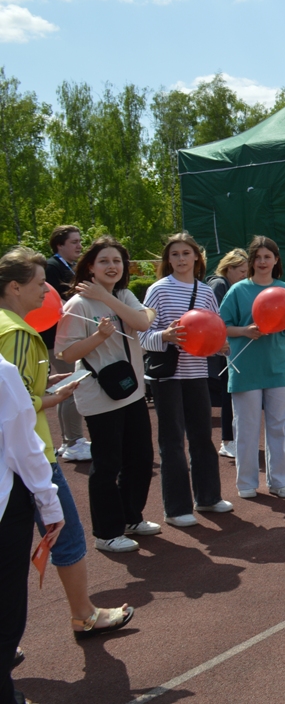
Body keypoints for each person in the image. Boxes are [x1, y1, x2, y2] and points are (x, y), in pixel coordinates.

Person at [1, 247, 135, 640]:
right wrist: (52, 399)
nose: (47, 292)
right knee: (68, 536)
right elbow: (18, 406)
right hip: (30, 458)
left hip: (16, 458)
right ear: (14, 287)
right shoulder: (19, 333)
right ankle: (84, 614)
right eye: (39, 284)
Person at [56, 238, 159, 555]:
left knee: (140, 459)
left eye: (117, 261)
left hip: (132, 391)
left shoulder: (123, 295)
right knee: (107, 464)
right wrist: (99, 336)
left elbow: (142, 321)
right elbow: (65, 352)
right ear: (90, 266)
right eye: (104, 261)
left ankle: (131, 518)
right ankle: (107, 532)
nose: (112, 266)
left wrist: (106, 296)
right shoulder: (78, 304)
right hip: (100, 396)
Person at [139, 233, 233, 528]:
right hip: (166, 376)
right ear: (168, 260)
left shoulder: (205, 292)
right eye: (175, 254)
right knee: (172, 442)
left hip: (195, 374)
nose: (180, 259)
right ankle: (176, 508)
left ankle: (208, 497)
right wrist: (164, 336)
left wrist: (221, 345)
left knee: (202, 437)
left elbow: (214, 330)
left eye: (186, 253)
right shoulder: (158, 290)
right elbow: (142, 336)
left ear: (197, 258)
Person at [0, 355, 64, 704]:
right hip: (4, 507)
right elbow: (23, 448)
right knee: (7, 614)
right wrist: (50, 505)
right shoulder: (3, 373)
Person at [219, 236, 285, 499]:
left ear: (276, 259)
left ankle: (280, 481)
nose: (263, 261)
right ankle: (246, 483)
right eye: (258, 257)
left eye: (268, 256)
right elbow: (222, 326)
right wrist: (245, 330)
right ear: (251, 261)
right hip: (245, 368)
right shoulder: (237, 290)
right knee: (246, 427)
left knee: (277, 426)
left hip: (277, 366)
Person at [42, 224, 91, 462]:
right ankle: (74, 441)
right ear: (59, 245)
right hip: (57, 339)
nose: (79, 246)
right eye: (74, 242)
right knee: (71, 386)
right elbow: (62, 300)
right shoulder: (52, 267)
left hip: (65, 337)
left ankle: (68, 440)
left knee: (68, 387)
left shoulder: (67, 267)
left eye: (80, 241)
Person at [207, 248, 249, 458]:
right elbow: (215, 318)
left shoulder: (230, 286)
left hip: (227, 350)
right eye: (241, 270)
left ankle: (232, 439)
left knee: (231, 396)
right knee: (226, 396)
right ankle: (227, 441)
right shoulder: (220, 285)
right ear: (228, 268)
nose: (244, 275)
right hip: (219, 353)